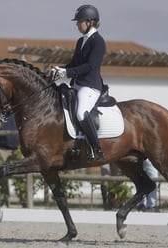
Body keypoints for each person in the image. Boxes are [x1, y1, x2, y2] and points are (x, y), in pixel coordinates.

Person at [52, 4, 106, 161]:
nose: (77, 24)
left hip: (90, 86)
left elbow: (90, 66)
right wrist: (60, 70)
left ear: (90, 22)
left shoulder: (98, 41)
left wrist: (67, 73)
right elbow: (75, 63)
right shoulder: (81, 41)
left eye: (79, 21)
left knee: (81, 112)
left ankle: (96, 149)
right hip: (76, 84)